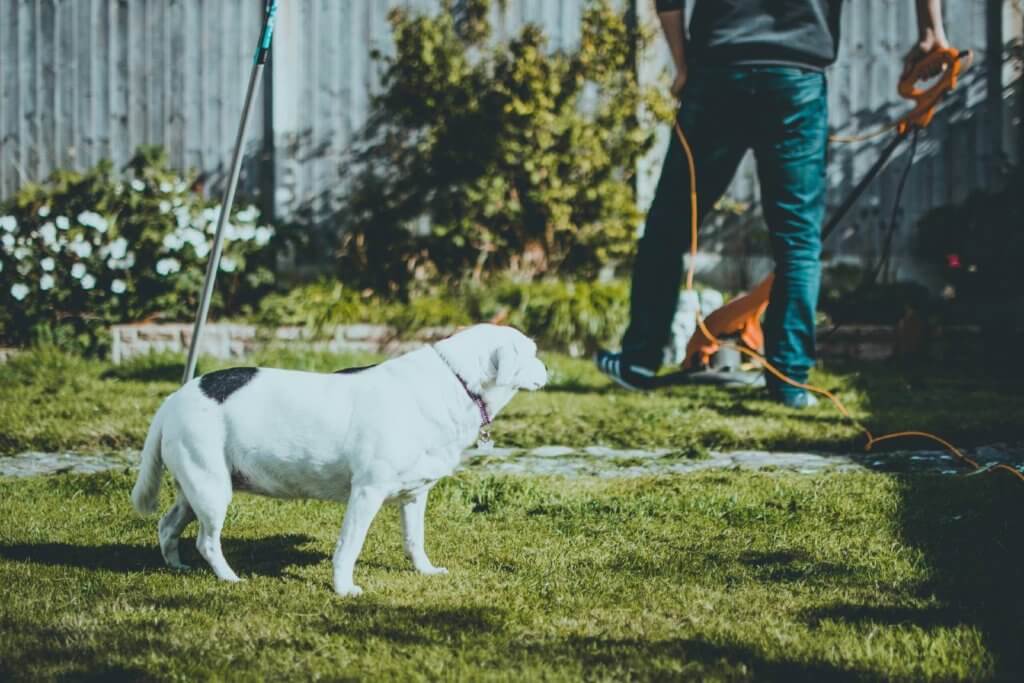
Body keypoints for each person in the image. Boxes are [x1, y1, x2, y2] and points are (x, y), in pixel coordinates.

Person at [596, 0, 949, 407]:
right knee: (798, 241)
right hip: (795, 76)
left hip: (719, 72)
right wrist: (930, 30)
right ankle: (789, 382)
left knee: (670, 225)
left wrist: (682, 65)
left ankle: (639, 361)